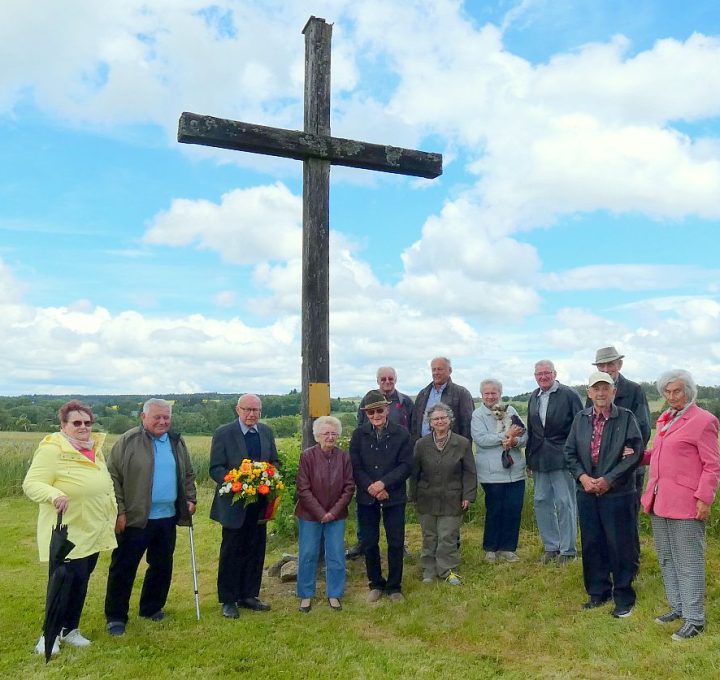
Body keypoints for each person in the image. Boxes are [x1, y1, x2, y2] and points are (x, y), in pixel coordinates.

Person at [23, 400, 117, 655]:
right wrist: (53, 494)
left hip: (93, 529)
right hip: (67, 532)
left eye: (87, 422)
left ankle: (70, 629)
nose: (83, 427)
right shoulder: (52, 450)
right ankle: (49, 635)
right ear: (63, 425)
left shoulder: (94, 449)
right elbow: (31, 484)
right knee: (61, 583)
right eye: (77, 422)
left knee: (81, 582)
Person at [104, 398, 197, 636]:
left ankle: (152, 607)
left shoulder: (176, 441)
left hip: (167, 516)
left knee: (162, 565)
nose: (162, 421)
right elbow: (112, 477)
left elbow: (187, 473)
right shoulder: (128, 440)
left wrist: (190, 498)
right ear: (143, 417)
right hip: (135, 517)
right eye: (157, 417)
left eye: (166, 417)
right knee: (124, 567)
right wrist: (120, 511)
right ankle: (116, 616)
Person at [641, 369, 720, 640]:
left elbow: (712, 465)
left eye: (677, 391)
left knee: (688, 561)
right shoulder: (666, 419)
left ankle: (695, 619)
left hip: (687, 503)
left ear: (689, 391)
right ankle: (678, 607)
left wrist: (704, 499)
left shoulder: (703, 420)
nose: (672, 396)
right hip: (659, 499)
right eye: (667, 391)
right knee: (666, 558)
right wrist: (641, 456)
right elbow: (666, 454)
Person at [564, 371, 644, 618]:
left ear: (613, 392)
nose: (600, 393)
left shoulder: (626, 418)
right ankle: (598, 593)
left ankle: (623, 596)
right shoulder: (580, 419)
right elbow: (569, 453)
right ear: (589, 393)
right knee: (592, 543)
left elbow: (635, 454)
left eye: (605, 389)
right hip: (587, 491)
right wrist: (583, 477)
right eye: (595, 389)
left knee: (620, 545)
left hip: (617, 493)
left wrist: (609, 479)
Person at [209, 394, 280, 619]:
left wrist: (267, 475)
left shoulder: (266, 432)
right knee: (232, 551)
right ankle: (229, 599)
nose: (252, 414)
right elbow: (215, 468)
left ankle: (249, 594)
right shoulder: (224, 433)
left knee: (256, 549)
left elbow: (275, 462)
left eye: (256, 410)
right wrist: (237, 480)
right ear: (237, 410)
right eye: (247, 409)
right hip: (234, 503)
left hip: (259, 503)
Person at [350, 390, 413, 603]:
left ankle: (394, 586)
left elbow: (406, 465)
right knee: (369, 542)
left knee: (395, 542)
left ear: (387, 409)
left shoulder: (402, 433)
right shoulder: (358, 435)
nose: (375, 415)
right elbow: (355, 466)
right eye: (370, 412)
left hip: (393, 495)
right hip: (367, 497)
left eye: (379, 410)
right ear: (366, 414)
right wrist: (372, 487)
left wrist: (383, 484)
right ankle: (375, 583)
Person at [410, 402, 476, 584]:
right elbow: (414, 472)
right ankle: (429, 570)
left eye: (443, 418)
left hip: (453, 497)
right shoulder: (421, 444)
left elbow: (469, 472)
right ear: (430, 422)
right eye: (435, 419)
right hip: (426, 497)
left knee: (448, 536)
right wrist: (413, 495)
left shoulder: (462, 443)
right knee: (429, 536)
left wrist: (468, 496)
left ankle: (448, 570)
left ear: (450, 420)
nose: (439, 421)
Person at [295, 416, 355, 612]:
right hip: (310, 515)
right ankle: (305, 594)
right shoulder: (307, 456)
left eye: (333, 433)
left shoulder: (343, 456)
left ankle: (335, 594)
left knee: (336, 555)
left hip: (336, 515)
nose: (330, 437)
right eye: (325, 433)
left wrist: (333, 512)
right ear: (317, 436)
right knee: (308, 554)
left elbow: (349, 487)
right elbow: (303, 488)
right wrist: (321, 513)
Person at [526, 360, 583, 564]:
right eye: (539, 374)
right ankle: (551, 546)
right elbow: (532, 430)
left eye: (546, 373)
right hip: (540, 458)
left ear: (555, 373)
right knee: (541, 501)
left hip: (563, 457)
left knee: (565, 502)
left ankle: (568, 550)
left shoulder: (569, 394)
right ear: (535, 376)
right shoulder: (534, 396)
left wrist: (576, 457)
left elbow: (581, 426)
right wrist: (529, 460)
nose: (543, 377)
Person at [471, 379, 527, 563]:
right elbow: (481, 439)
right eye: (486, 393)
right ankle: (490, 548)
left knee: (513, 509)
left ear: (500, 394)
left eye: (494, 392)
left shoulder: (511, 411)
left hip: (515, 470)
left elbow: (525, 435)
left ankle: (508, 548)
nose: (490, 396)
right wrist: (506, 435)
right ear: (481, 395)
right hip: (491, 473)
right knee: (495, 509)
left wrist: (515, 441)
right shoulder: (477, 415)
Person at [588, 346, 651, 508]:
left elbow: (643, 427)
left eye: (610, 364)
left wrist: (632, 451)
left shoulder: (634, 390)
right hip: (599, 468)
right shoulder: (594, 392)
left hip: (627, 467)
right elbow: (589, 427)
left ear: (620, 365)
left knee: (627, 517)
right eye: (601, 366)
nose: (606, 369)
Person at [411, 357, 475, 442]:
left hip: (451, 448)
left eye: (440, 369)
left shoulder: (462, 393)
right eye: (434, 370)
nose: (436, 372)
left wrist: (463, 449)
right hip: (425, 448)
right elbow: (415, 423)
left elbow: (467, 425)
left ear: (450, 370)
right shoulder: (423, 394)